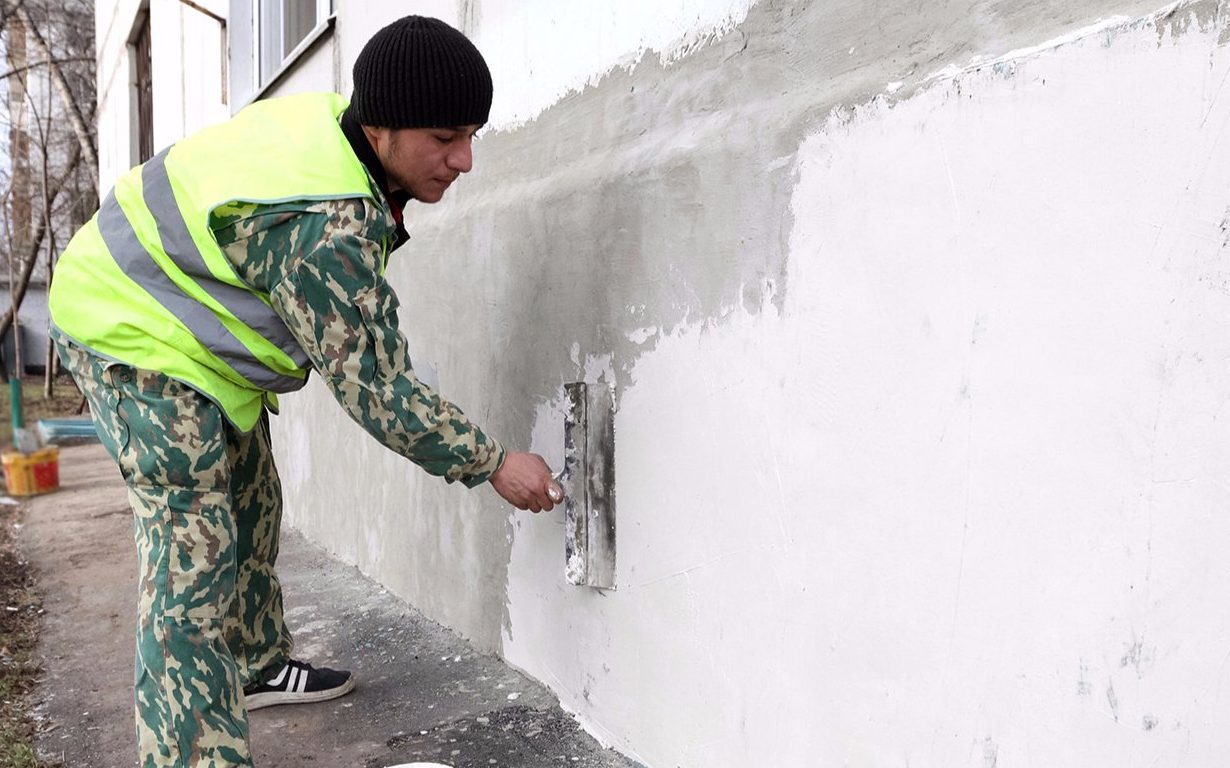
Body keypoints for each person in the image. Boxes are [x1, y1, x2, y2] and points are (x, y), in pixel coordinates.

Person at [47, 15, 561, 768]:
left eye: (473, 134)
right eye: (446, 137)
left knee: (252, 504)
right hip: (125, 329)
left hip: (185, 335)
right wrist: (492, 462)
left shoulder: (338, 137)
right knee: (193, 560)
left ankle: (254, 666)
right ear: (382, 127)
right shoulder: (323, 222)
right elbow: (379, 390)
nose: (467, 159)